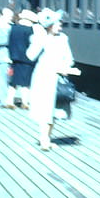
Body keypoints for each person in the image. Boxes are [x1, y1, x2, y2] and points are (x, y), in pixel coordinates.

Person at [27, 9, 81, 151]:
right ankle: (44, 139)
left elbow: (70, 59)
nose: (60, 26)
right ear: (50, 25)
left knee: (55, 111)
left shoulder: (63, 38)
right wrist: (38, 40)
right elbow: (30, 55)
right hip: (44, 77)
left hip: (59, 78)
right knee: (46, 110)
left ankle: (47, 138)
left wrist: (67, 67)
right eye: (58, 24)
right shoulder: (41, 38)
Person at [7, 9, 37, 108]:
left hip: (14, 58)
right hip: (26, 60)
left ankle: (9, 101)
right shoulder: (30, 31)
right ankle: (25, 102)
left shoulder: (13, 28)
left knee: (13, 81)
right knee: (25, 82)